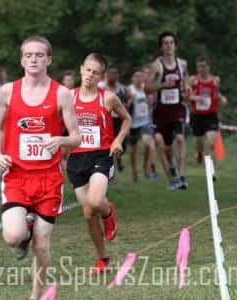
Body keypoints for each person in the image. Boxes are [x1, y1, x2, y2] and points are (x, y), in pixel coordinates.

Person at [0, 36, 80, 300]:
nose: (34, 59)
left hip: (48, 178)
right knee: (12, 236)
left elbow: (76, 136)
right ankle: (24, 230)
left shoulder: (61, 94)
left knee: (42, 244)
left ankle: (36, 296)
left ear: (48, 60)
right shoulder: (7, 91)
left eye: (39, 55)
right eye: (28, 55)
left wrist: (61, 140)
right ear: (21, 60)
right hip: (17, 175)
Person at [67, 53, 131, 274]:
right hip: (76, 160)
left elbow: (127, 119)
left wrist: (118, 139)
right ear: (81, 69)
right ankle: (102, 258)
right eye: (88, 70)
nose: (90, 75)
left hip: (101, 156)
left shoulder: (108, 98)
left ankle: (108, 212)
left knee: (95, 201)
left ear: (101, 76)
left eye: (95, 73)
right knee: (87, 213)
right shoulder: (68, 97)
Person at [145, 31, 190, 190]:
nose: (169, 45)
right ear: (161, 47)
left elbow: (186, 83)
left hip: (177, 110)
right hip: (160, 113)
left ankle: (182, 176)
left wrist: (187, 91)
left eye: (171, 42)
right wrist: (162, 85)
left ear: (175, 45)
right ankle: (171, 177)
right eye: (165, 43)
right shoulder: (157, 66)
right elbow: (147, 88)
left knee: (180, 138)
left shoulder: (182, 64)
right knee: (161, 144)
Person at [189, 56, 228, 164]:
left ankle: (211, 173)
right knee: (199, 143)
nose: (201, 69)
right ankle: (199, 153)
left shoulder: (215, 80)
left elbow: (215, 94)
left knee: (211, 144)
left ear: (209, 67)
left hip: (211, 115)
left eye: (204, 66)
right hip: (197, 115)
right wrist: (196, 98)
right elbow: (186, 96)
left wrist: (221, 99)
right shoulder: (193, 80)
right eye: (199, 67)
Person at [98, 64, 129, 171]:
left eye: (115, 73)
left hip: (118, 119)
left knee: (122, 145)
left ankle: (118, 158)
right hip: (105, 119)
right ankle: (110, 169)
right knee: (107, 145)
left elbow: (126, 101)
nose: (113, 76)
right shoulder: (100, 87)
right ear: (106, 74)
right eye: (110, 73)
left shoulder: (121, 88)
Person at [126, 70, 157, 182]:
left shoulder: (147, 89)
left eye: (140, 76)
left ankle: (146, 168)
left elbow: (152, 106)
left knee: (149, 144)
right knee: (133, 150)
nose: (138, 78)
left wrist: (150, 103)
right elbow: (124, 106)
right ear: (132, 79)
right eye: (136, 76)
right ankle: (134, 171)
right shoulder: (129, 89)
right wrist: (130, 101)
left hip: (145, 122)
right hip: (133, 124)